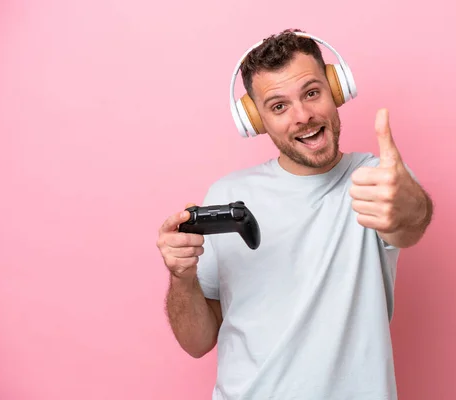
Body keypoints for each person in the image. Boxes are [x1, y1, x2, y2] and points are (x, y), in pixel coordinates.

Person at [156, 28, 433, 400]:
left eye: (312, 93)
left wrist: (407, 209)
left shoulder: (376, 181)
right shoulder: (227, 193)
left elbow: (409, 223)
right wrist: (181, 276)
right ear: (256, 120)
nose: (302, 115)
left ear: (336, 90)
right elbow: (197, 342)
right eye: (279, 106)